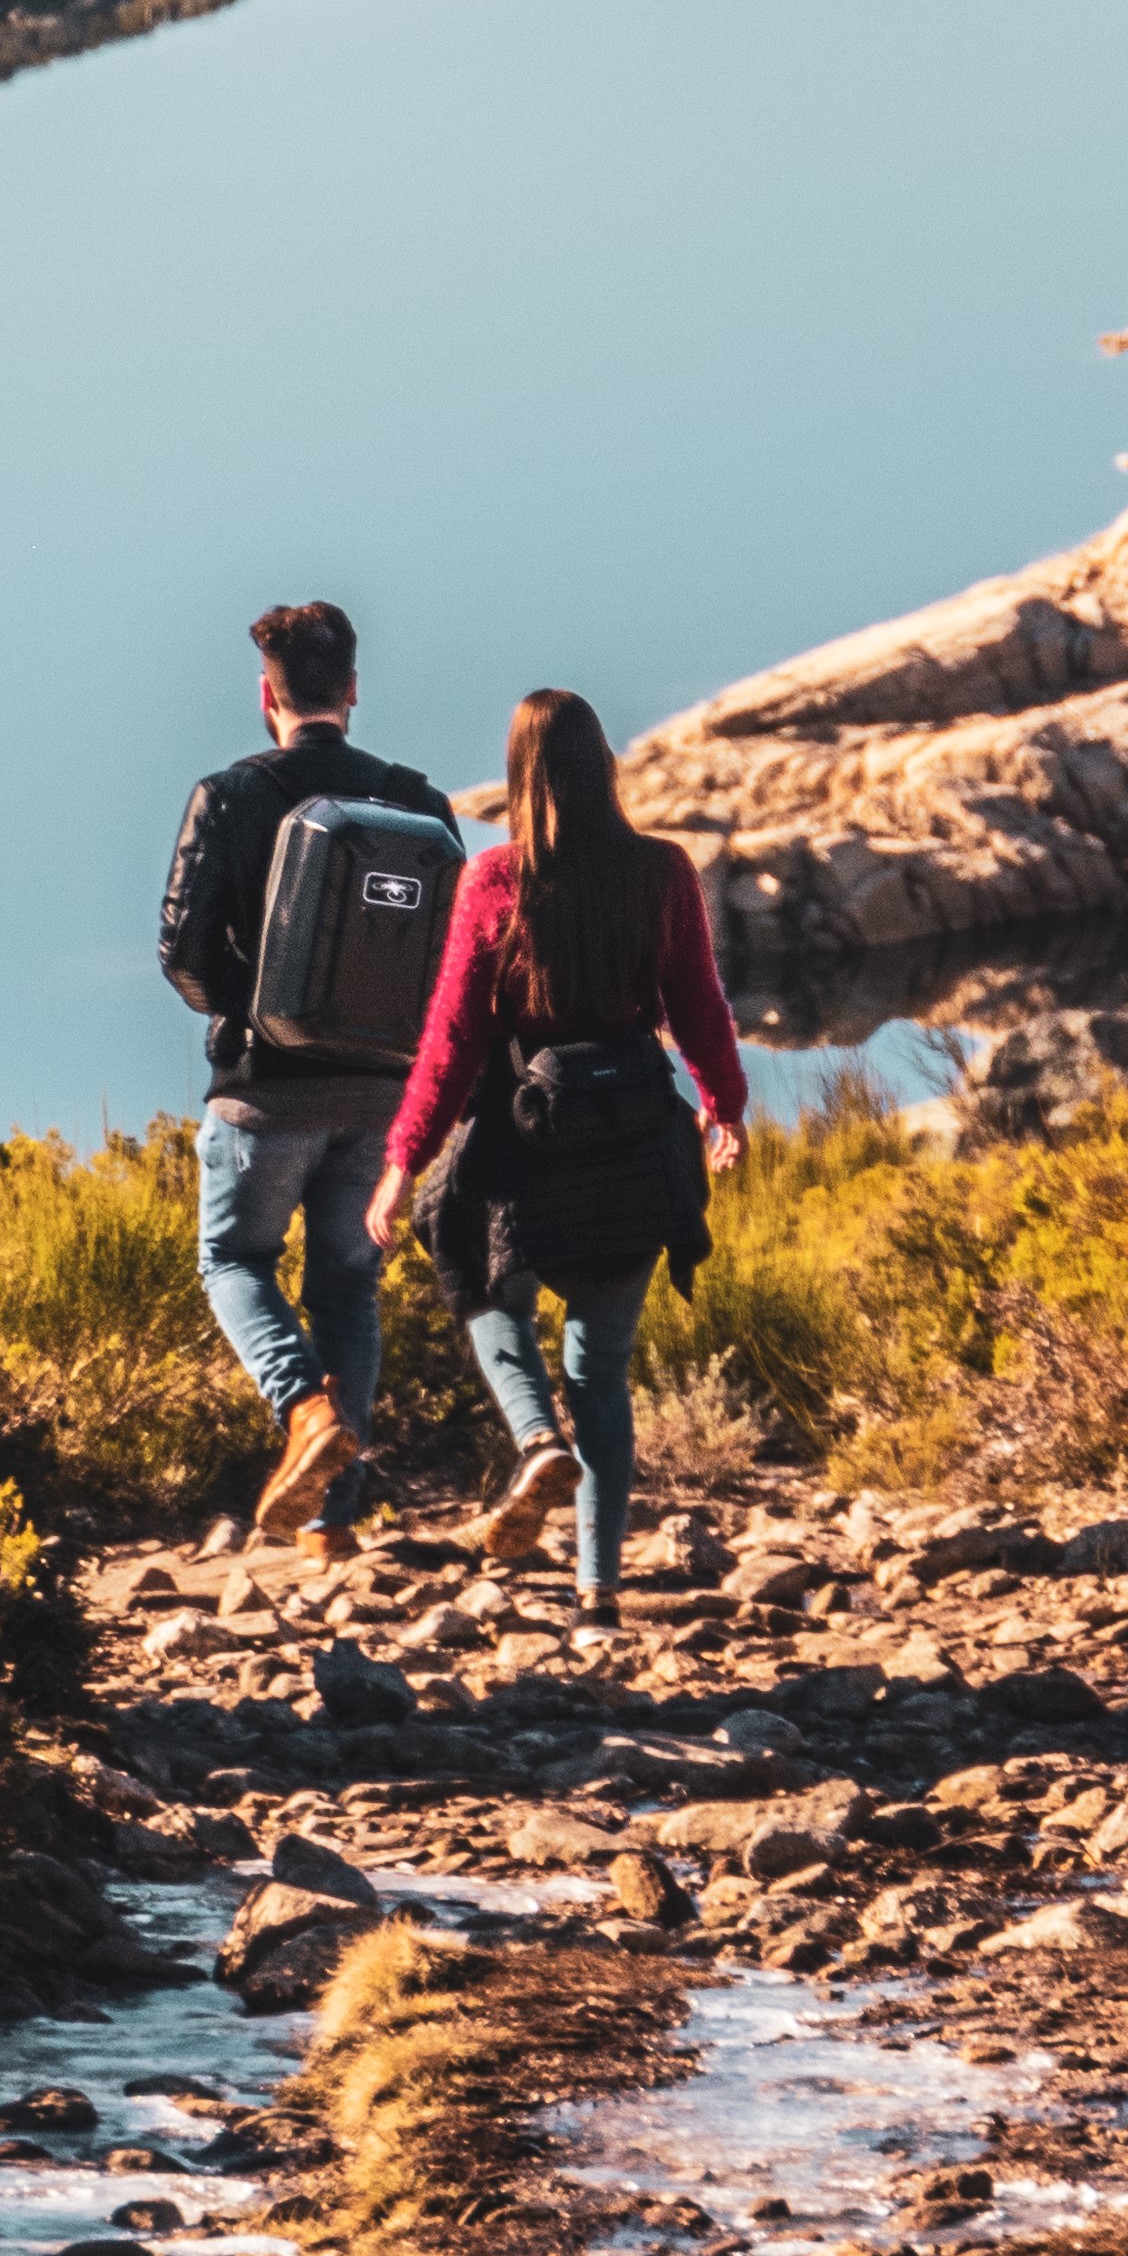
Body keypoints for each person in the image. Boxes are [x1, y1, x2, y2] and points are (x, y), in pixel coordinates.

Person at [368, 686, 747, 1620]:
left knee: (475, 1273)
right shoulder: (662, 871)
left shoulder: (495, 881)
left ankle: (536, 1437)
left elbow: (452, 1041)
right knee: (602, 1370)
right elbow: (700, 1004)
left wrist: (403, 1158)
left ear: (520, 775)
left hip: (523, 1150)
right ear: (604, 766)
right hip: (635, 1145)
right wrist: (723, 1106)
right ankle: (598, 1588)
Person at [159, 596, 454, 1533]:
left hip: (263, 1097)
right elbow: (449, 957)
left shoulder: (229, 795)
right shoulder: (419, 803)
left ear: (265, 695)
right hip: (380, 1097)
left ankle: (304, 1408)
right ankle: (334, 1518)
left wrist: (244, 1019)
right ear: (353, 690)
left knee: (233, 1258)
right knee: (347, 1288)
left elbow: (184, 952)